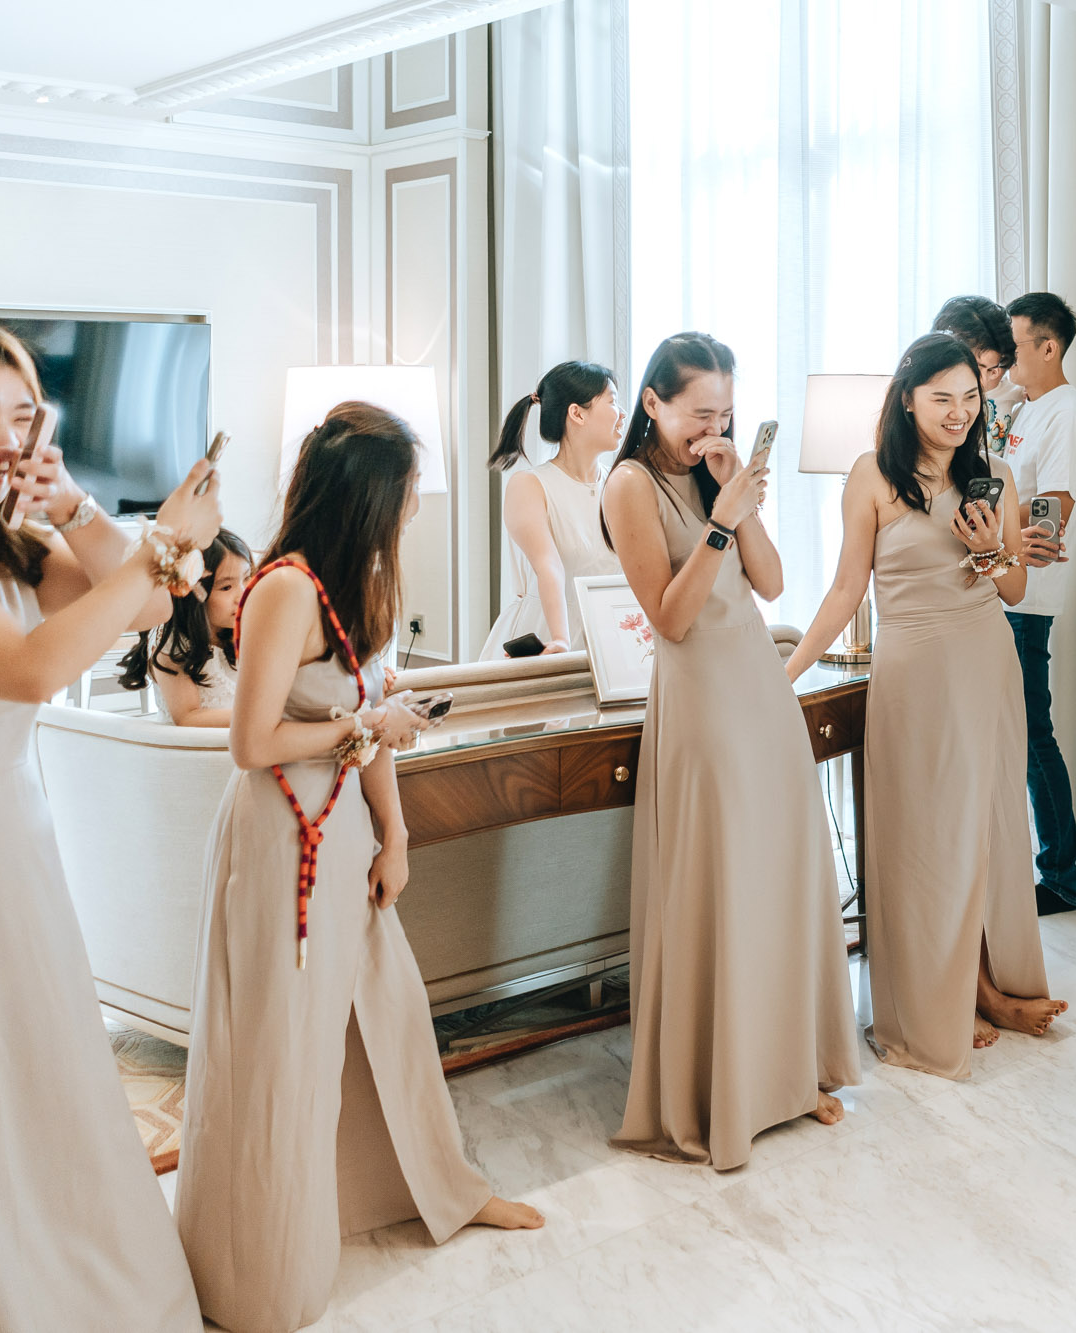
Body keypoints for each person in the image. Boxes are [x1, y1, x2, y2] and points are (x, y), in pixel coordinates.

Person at [177, 402, 542, 1332]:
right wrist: (363, 725)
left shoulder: (361, 582)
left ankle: (441, 1187)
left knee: (389, 1009)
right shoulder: (284, 589)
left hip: (344, 830)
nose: (416, 506)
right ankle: (257, 1270)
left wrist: (397, 832)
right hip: (280, 839)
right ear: (367, 496)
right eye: (408, 490)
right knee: (280, 1047)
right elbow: (253, 742)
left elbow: (373, 714)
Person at [0, 318, 210, 1329]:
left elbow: (141, 608)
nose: (4, 437)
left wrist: (76, 503)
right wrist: (164, 542)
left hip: (11, 838)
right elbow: (30, 667)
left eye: (22, 416)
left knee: (34, 1065)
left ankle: (65, 1268)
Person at [601, 332, 859, 1168]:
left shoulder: (717, 475)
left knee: (776, 883)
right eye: (699, 412)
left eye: (726, 413)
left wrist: (738, 503)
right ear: (653, 403)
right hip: (704, 706)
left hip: (761, 694)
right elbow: (671, 619)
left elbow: (773, 583)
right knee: (724, 889)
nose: (713, 428)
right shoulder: (630, 486)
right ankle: (727, 1091)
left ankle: (789, 1075)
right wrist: (717, 524)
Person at [790, 331, 1067, 1077]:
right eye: (941, 397)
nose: (958, 411)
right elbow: (845, 589)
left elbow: (1014, 589)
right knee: (927, 839)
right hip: (914, 670)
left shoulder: (995, 476)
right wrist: (786, 671)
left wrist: (989, 549)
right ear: (907, 399)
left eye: (970, 397)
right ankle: (945, 998)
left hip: (985, 661)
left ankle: (987, 990)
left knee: (982, 830)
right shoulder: (872, 478)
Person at [999, 291, 1076, 914]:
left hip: (1027, 597)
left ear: (1049, 347)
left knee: (1034, 734)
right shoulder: (1021, 407)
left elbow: (1052, 509)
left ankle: (1060, 877)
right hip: (996, 587)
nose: (1007, 359)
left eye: (1014, 347)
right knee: (1016, 732)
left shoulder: (1067, 414)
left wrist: (1001, 539)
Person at [481, 360, 625, 657]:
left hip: (608, 639)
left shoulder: (620, 484)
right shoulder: (529, 485)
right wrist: (560, 639)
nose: (622, 414)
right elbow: (549, 566)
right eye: (612, 402)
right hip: (547, 634)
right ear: (577, 413)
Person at [116, 527, 252, 724]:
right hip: (191, 742)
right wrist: (261, 718)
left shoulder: (238, 629)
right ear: (193, 596)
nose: (243, 594)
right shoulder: (171, 643)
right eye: (226, 587)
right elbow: (188, 717)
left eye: (247, 578)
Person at [931, 294, 1024, 457]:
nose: (984, 379)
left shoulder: (1009, 390)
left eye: (993, 369)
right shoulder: (927, 394)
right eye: (976, 367)